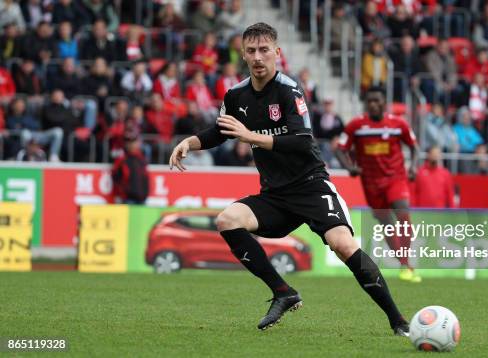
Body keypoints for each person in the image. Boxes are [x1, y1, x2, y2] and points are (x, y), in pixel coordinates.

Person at [169, 23, 411, 337]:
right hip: (275, 195)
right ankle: (283, 291)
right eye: (252, 51)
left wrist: (250, 136)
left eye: (264, 50)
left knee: (343, 244)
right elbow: (219, 132)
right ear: (244, 55)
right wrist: (190, 142)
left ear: (277, 53)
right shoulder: (236, 95)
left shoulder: (289, 90)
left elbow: (301, 140)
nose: (258, 57)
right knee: (227, 219)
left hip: (311, 184)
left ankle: (398, 321)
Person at [335, 86, 421, 283]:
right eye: (370, 101)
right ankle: (403, 263)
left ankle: (406, 263)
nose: (373, 104)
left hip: (396, 179)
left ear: (384, 103)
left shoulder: (398, 124)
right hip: (371, 184)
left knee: (403, 214)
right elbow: (340, 149)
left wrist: (414, 167)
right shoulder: (356, 125)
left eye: (377, 101)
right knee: (387, 224)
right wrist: (349, 167)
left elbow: (414, 147)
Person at [112, 135, 150, 204]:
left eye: (134, 142)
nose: (133, 145)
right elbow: (116, 178)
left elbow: (146, 178)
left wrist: (146, 193)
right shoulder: (121, 160)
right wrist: (119, 195)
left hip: (142, 199)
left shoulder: (142, 159)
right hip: (128, 199)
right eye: (130, 143)